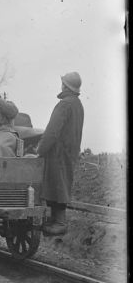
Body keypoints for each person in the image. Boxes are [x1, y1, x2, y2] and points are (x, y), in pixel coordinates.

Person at [38, 72, 84, 236]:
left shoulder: (64, 104)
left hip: (57, 153)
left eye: (62, 83)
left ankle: (59, 222)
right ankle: (55, 220)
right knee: (61, 183)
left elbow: (52, 132)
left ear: (65, 86)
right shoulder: (77, 104)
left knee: (56, 184)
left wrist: (40, 150)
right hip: (70, 152)